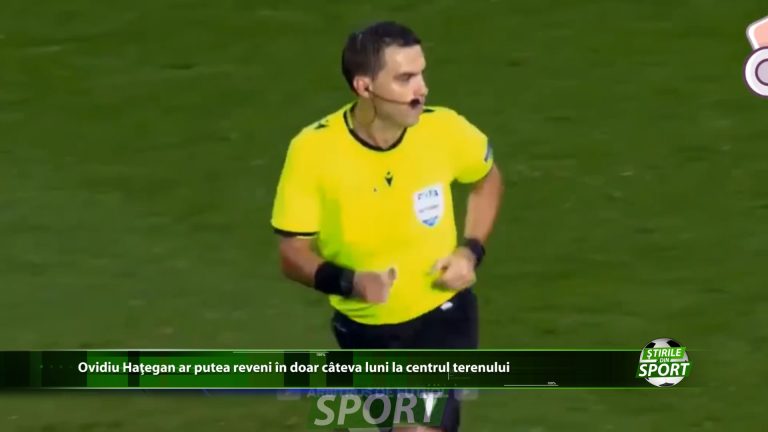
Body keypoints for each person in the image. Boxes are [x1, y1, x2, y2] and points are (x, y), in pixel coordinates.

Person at [271, 21, 504, 432]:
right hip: (364, 331)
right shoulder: (313, 151)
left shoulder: (444, 129)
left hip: (442, 317)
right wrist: (351, 282)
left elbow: (488, 180)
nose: (422, 89)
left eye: (421, 74)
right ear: (364, 87)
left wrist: (470, 251)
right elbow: (292, 253)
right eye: (405, 78)